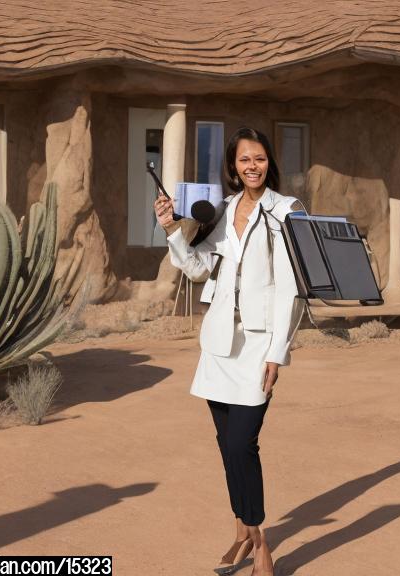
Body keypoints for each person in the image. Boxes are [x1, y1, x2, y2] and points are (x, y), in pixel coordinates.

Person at [155, 127, 302, 576]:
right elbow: (199, 270)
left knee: (243, 443)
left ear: (268, 162)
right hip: (219, 344)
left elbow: (293, 290)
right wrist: (171, 231)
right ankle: (241, 531)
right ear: (233, 166)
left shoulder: (287, 211)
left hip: (258, 345)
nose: (251, 167)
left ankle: (260, 542)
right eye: (243, 160)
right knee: (226, 445)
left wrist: (278, 352)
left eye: (258, 159)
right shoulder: (221, 210)